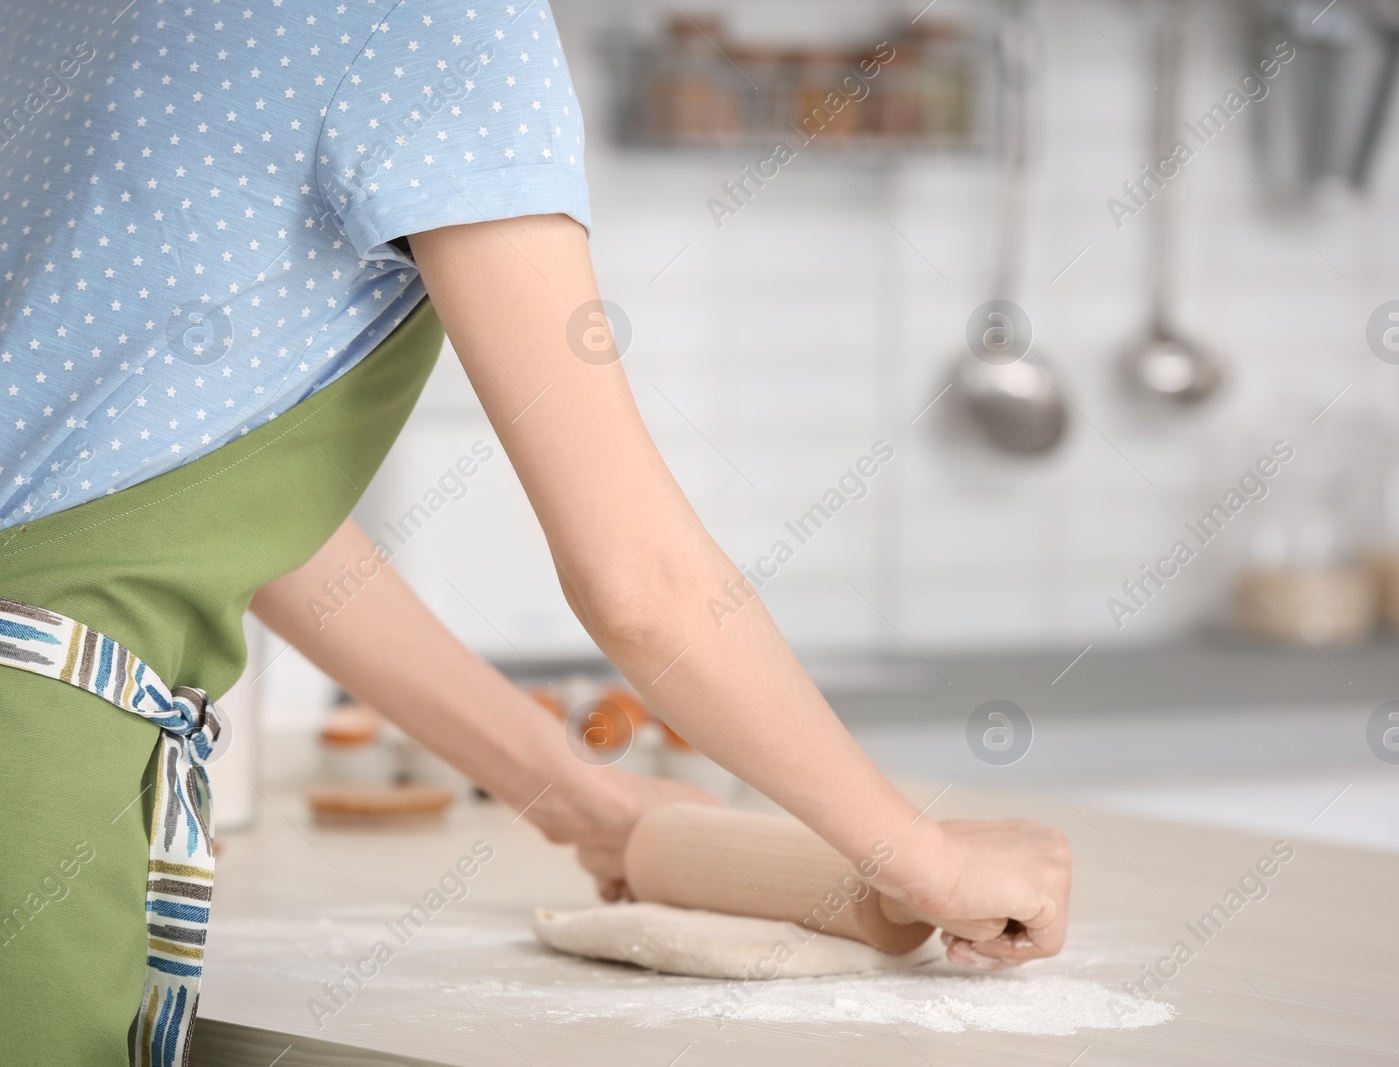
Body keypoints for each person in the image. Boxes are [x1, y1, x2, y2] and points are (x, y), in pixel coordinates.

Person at [0, 3, 1073, 1064]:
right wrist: (920, 853)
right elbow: (639, 580)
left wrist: (581, 798)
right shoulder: (443, 21)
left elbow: (212, 517)